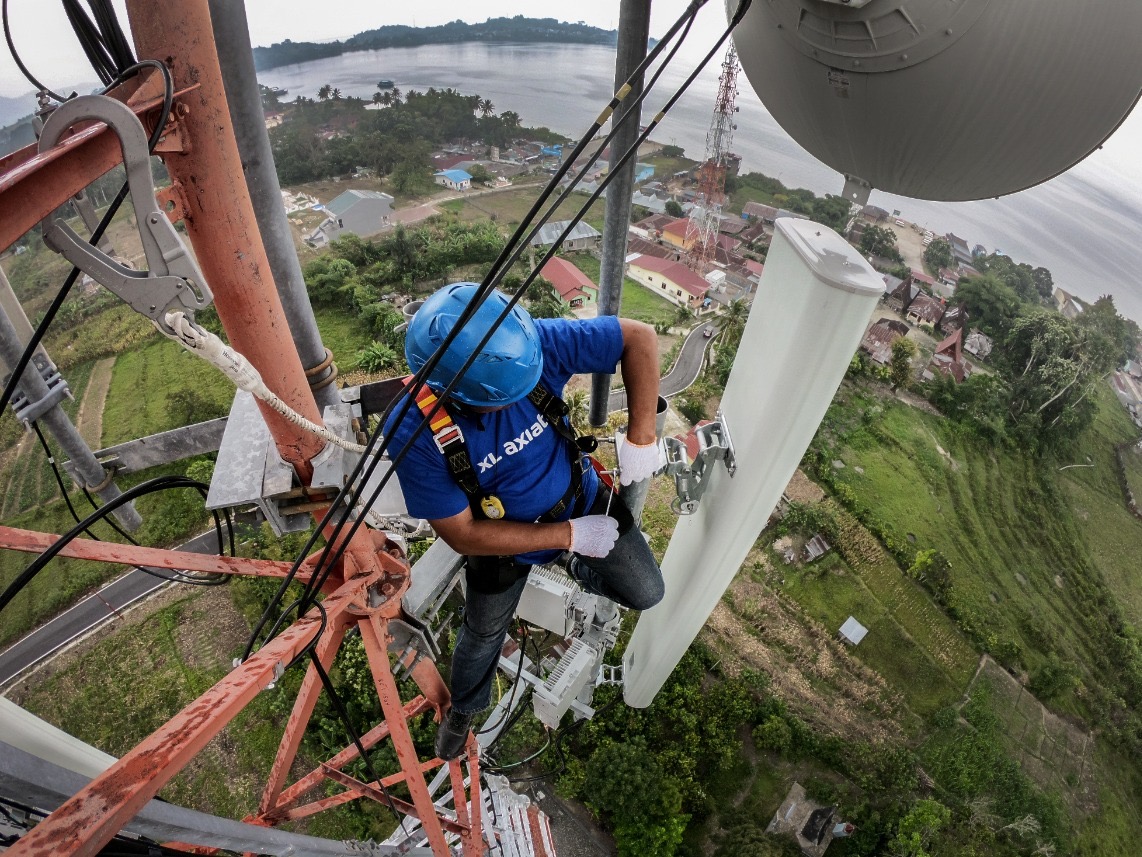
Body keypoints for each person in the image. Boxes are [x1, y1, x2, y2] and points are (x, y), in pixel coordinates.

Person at [384, 283, 665, 760]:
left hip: (580, 498)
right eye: (502, 402)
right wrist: (568, 537)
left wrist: (640, 434)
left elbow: (638, 337)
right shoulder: (415, 429)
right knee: (482, 636)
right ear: (462, 395)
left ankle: (574, 563)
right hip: (502, 544)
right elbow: (462, 534)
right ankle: (465, 710)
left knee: (646, 592)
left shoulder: (521, 348)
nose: (515, 405)